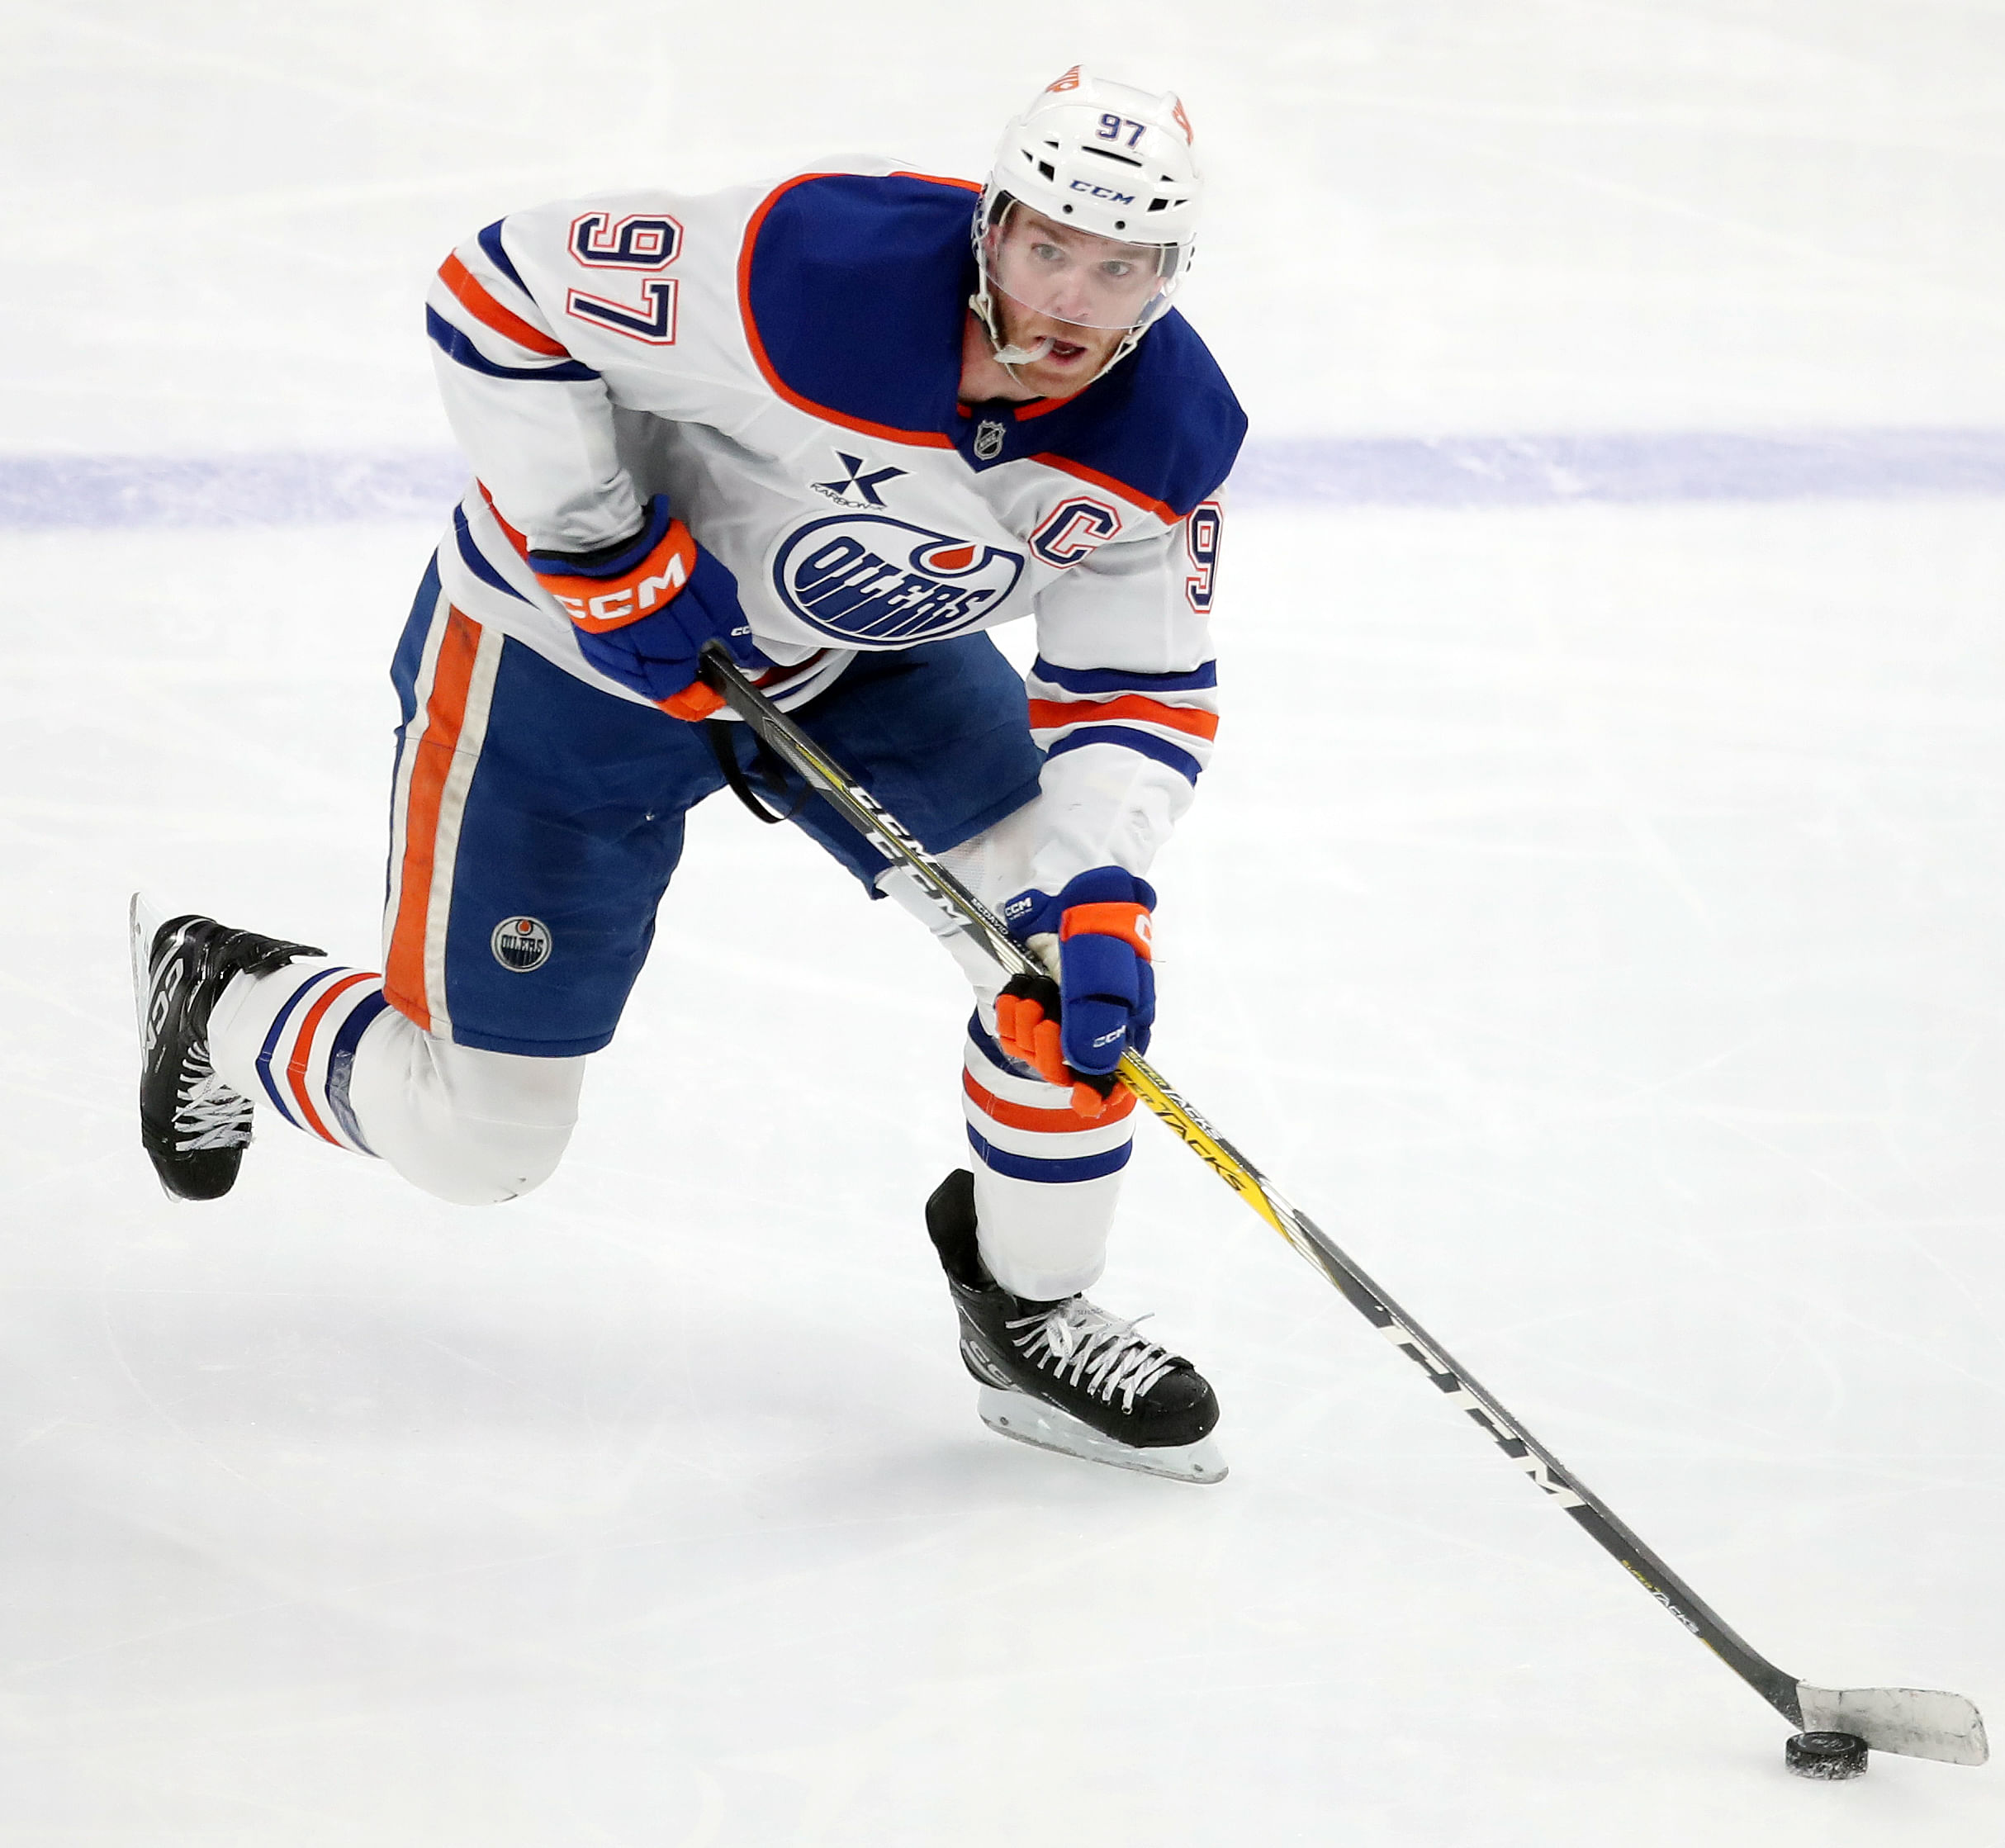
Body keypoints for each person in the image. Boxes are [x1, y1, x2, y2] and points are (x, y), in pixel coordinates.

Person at [132, 68, 1246, 1484]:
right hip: (566, 666)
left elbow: (1134, 685)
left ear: (1170, 272)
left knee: (1054, 982)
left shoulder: (1163, 439)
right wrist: (595, 545)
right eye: (1048, 250)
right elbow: (498, 293)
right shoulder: (808, 271)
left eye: (1122, 266)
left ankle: (1023, 1308)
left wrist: (1102, 880)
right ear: (993, 229)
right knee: (480, 1143)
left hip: (862, 660)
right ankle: (224, 997)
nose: (1075, 301)